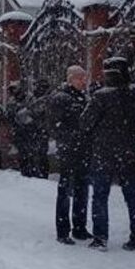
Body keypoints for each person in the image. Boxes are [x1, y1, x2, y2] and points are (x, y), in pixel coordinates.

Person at [80, 57, 135, 252]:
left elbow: (85, 123)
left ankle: (100, 238)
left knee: (100, 196)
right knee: (133, 197)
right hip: (130, 152)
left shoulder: (101, 96)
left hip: (104, 153)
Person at [49, 66, 92, 245]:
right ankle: (62, 230)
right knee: (65, 190)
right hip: (68, 151)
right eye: (80, 78)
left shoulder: (85, 98)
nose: (84, 81)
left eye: (85, 78)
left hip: (83, 151)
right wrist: (68, 139)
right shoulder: (61, 99)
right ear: (70, 79)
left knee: (82, 189)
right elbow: (55, 125)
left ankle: (80, 227)